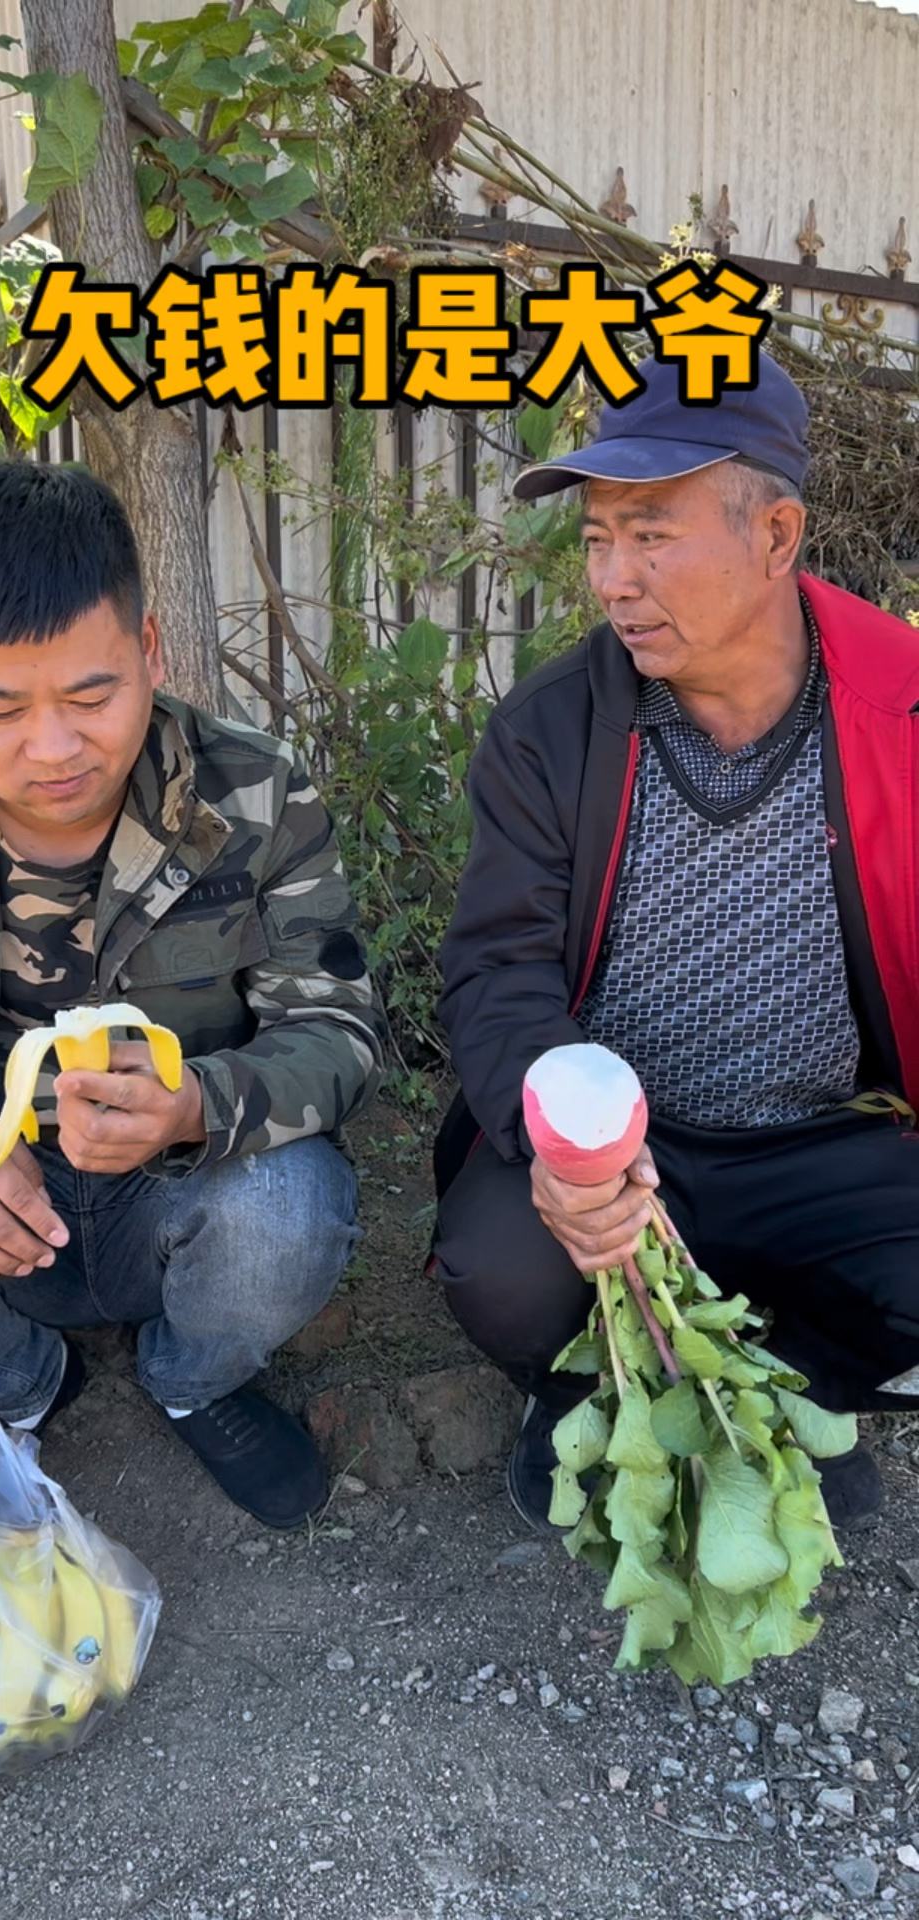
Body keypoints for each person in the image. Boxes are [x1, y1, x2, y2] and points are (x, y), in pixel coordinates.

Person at [0, 461, 384, 1530]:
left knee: (294, 1207)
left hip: (177, 1199)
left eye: (92, 697)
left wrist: (195, 1107)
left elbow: (335, 1029)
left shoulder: (255, 792)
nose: (53, 748)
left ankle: (192, 1376)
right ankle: (25, 1384)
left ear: (148, 649)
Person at [433, 352, 919, 1533]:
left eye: (651, 535)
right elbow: (498, 969)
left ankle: (786, 1387)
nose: (613, 579)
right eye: (599, 540)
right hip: (620, 1142)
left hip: (822, 1139)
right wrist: (568, 1158)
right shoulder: (554, 731)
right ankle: (579, 1385)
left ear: (778, 534)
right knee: (499, 1268)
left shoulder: (898, 705)